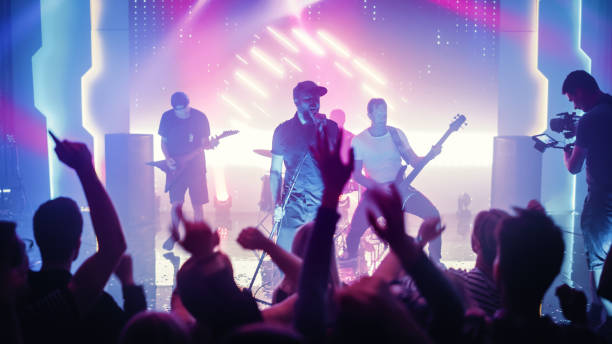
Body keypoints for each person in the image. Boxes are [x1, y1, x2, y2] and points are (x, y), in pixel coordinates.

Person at [342, 98, 442, 265]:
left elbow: (414, 161)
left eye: (385, 113)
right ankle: (350, 259)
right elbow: (357, 175)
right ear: (369, 114)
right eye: (379, 113)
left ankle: (436, 260)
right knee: (354, 232)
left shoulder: (396, 134)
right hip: (376, 194)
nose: (383, 116)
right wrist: (379, 188)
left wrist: (431, 155)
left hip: (402, 190)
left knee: (433, 215)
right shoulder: (359, 141)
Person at [562, 70, 612, 315]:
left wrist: (565, 154)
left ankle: (599, 314)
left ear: (580, 91)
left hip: (602, 202)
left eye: (573, 98)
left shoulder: (589, 120)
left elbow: (574, 166)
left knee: (597, 259)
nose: (574, 104)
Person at [270, 81, 339, 251]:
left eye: (317, 98)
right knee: (284, 259)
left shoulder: (330, 127)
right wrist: (277, 203)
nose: (315, 103)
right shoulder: (282, 131)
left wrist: (320, 132)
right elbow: (275, 171)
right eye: (309, 98)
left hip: (320, 207)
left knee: (318, 264)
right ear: (296, 101)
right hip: (292, 206)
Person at [158, 91, 217, 250]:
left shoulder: (200, 117)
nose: (182, 112)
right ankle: (174, 235)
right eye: (178, 110)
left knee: (198, 204)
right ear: (173, 108)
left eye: (184, 108)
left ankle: (200, 239)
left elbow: (206, 143)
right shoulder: (167, 117)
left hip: (196, 168)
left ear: (188, 104)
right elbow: (163, 142)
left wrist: (212, 144)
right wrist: (168, 158)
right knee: (176, 203)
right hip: (176, 168)